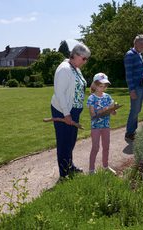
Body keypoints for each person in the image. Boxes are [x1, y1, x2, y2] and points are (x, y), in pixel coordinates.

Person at [50, 43, 91, 179]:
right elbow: (60, 93)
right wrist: (66, 114)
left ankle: (69, 166)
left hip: (73, 111)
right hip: (63, 111)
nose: (86, 62)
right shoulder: (64, 69)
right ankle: (64, 174)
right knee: (64, 142)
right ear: (75, 55)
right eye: (84, 58)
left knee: (71, 141)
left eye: (87, 59)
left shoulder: (75, 68)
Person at [87, 73, 117, 174]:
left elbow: (112, 113)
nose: (103, 88)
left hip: (106, 126)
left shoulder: (108, 97)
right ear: (95, 85)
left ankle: (105, 166)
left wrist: (113, 110)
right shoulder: (92, 98)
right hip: (95, 127)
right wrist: (101, 111)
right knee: (95, 147)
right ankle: (91, 169)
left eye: (105, 86)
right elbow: (92, 115)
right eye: (101, 86)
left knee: (106, 146)